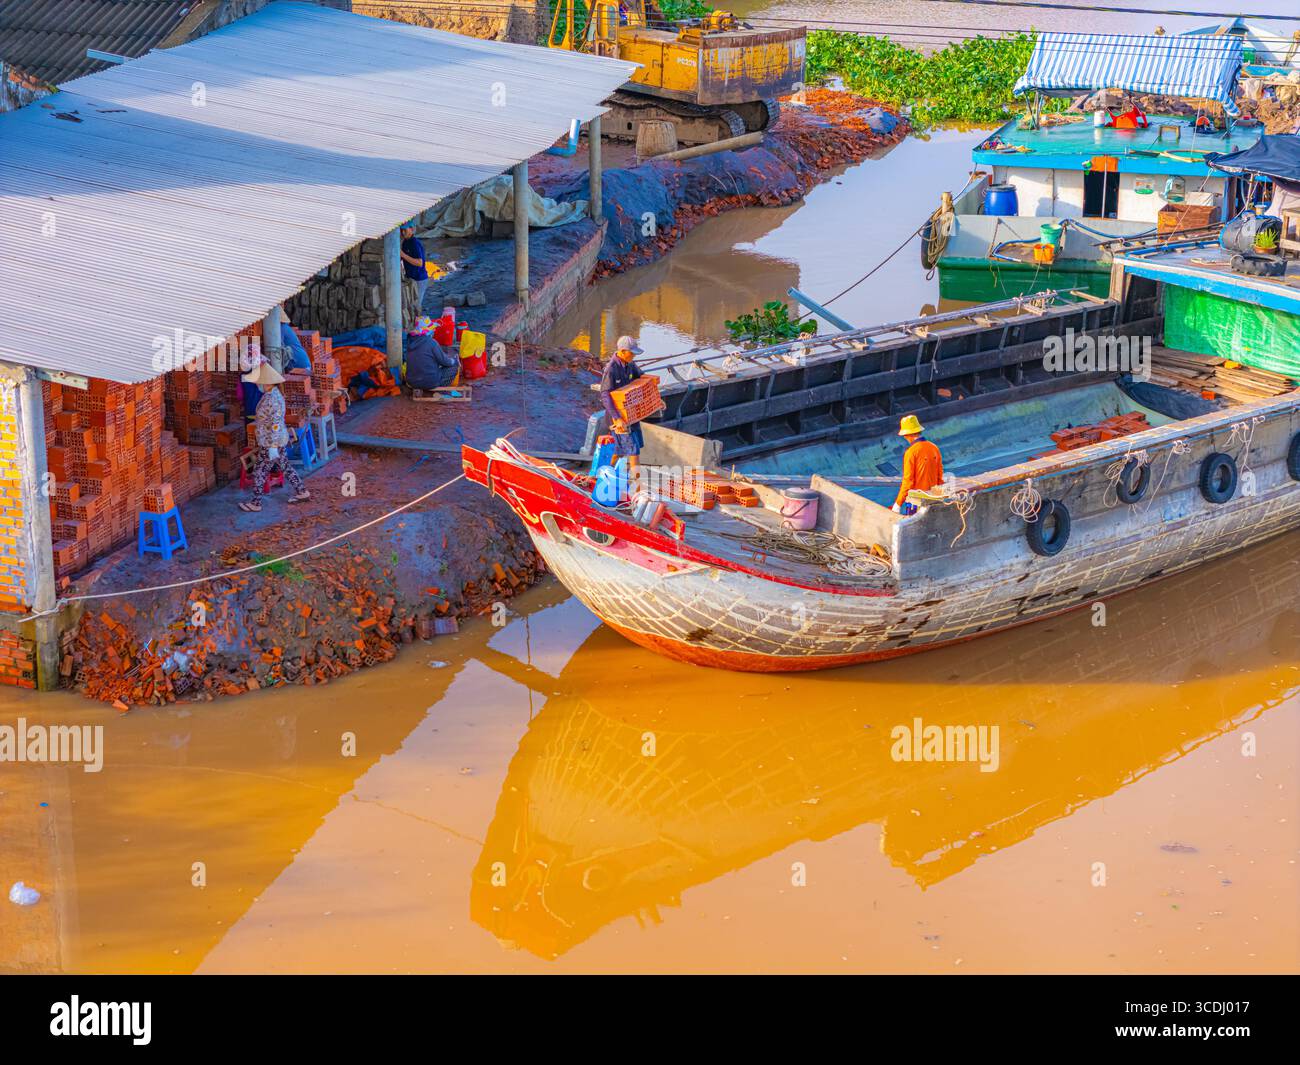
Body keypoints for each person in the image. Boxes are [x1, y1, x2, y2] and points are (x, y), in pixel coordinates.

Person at [238, 360, 311, 512]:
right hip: (276, 440)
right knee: (285, 466)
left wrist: (272, 446)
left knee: (260, 470)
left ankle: (256, 503)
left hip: (272, 441)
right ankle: (302, 491)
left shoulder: (272, 399)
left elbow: (275, 424)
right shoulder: (273, 395)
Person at [600, 335, 645, 472]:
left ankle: (603, 471)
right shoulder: (611, 369)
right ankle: (638, 487)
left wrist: (654, 397)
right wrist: (618, 418)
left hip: (631, 414)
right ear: (623, 351)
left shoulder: (630, 364)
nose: (633, 357)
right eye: (631, 353)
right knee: (633, 450)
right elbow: (605, 395)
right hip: (618, 417)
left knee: (620, 450)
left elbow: (641, 377)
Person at [892, 414, 943, 515]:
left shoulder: (911, 452)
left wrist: (898, 503)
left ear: (908, 435)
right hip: (933, 497)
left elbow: (908, 481)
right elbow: (939, 477)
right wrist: (938, 497)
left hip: (915, 500)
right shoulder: (934, 448)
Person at [399, 223, 429, 309]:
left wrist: (403, 255)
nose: (403, 232)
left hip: (419, 279)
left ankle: (419, 321)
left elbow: (420, 263)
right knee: (411, 305)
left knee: (416, 306)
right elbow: (403, 257)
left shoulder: (414, 243)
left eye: (405, 230)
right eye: (401, 230)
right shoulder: (405, 242)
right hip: (411, 278)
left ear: (412, 229)